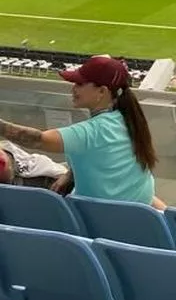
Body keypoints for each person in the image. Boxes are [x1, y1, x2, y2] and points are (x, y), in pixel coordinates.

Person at [0, 55, 162, 207]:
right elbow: (100, 156)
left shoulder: (94, 131)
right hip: (139, 212)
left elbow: (38, 140)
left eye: (80, 84)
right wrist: (71, 175)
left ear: (102, 92)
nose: (73, 89)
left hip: (103, 219)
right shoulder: (127, 118)